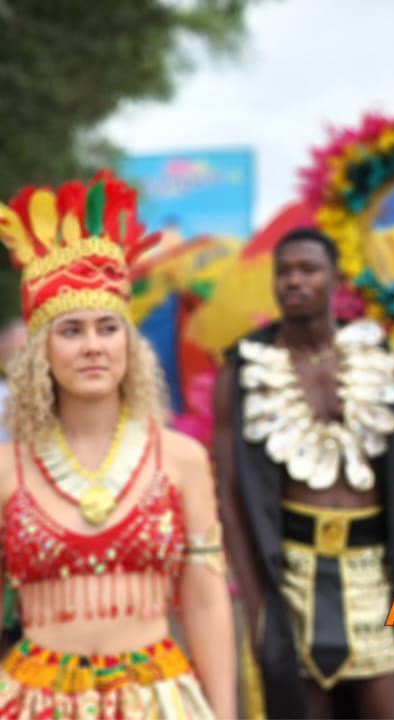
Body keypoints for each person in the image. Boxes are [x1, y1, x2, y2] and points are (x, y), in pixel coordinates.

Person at [0, 171, 234, 717]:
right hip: (33, 702)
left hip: (160, 700)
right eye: (71, 330)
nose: (92, 347)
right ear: (41, 352)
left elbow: (204, 600)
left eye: (108, 328)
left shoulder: (182, 459)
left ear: (129, 343)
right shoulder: (7, 467)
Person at [213, 227, 394, 718]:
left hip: (373, 572)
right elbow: (229, 493)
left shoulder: (378, 359)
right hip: (292, 576)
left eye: (307, 269)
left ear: (334, 280)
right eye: (283, 271)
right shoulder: (244, 371)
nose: (293, 281)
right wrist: (257, 605)